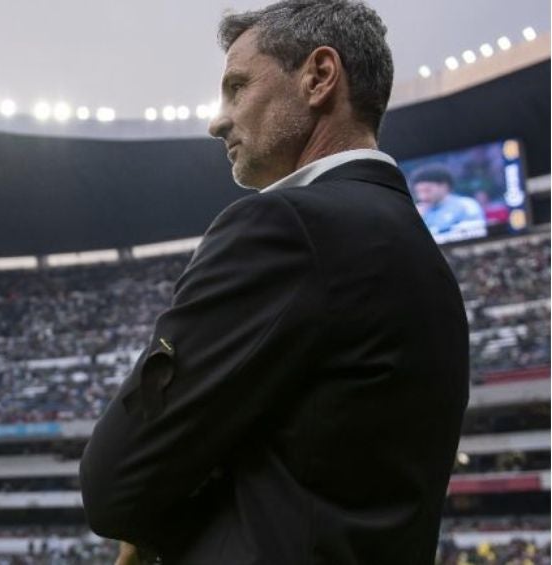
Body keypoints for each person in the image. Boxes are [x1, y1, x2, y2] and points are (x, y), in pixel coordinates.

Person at [79, 1, 470, 563]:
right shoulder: (428, 265)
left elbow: (113, 483)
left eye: (237, 87)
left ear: (318, 77)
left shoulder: (284, 225)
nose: (217, 120)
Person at [410, 164, 487, 235]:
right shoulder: (419, 212)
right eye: (418, 192)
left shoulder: (466, 205)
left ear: (444, 186)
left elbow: (477, 233)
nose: (422, 197)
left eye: (427, 190)